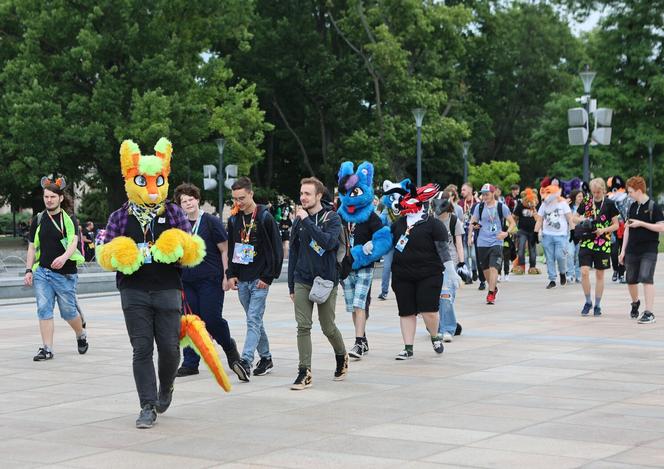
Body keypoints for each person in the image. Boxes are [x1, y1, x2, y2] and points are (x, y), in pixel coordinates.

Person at [97, 138, 205, 429]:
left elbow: (192, 251)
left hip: (168, 288)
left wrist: (176, 246)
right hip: (133, 291)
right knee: (141, 348)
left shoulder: (172, 213)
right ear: (131, 179)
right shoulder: (120, 216)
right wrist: (120, 252)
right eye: (144, 181)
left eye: (158, 180)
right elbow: (105, 254)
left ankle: (166, 387)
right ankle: (147, 405)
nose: (152, 187)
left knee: (170, 348)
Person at [173, 183, 247, 382]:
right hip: (186, 281)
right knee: (190, 321)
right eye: (183, 201)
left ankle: (230, 349)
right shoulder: (179, 225)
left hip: (210, 279)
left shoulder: (211, 221)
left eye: (190, 199)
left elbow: (224, 249)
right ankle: (190, 362)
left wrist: (226, 275)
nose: (188, 203)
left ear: (197, 200)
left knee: (211, 319)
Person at [288, 177, 348, 390]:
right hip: (302, 279)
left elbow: (329, 243)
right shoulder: (299, 221)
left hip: (325, 280)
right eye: (301, 193)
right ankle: (304, 372)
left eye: (307, 194)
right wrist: (291, 285)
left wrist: (305, 221)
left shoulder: (332, 218)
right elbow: (294, 252)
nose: (303, 197)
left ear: (319, 196)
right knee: (303, 326)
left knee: (328, 327)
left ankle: (341, 355)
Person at [390, 182, 458, 359]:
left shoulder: (434, 225)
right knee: (406, 311)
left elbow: (443, 250)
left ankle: (435, 336)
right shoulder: (398, 225)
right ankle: (408, 347)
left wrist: (451, 272)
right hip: (402, 274)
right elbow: (386, 246)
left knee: (429, 311)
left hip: (429, 274)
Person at [24, 178, 88, 362]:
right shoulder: (38, 219)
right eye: (46, 196)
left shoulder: (69, 219)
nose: (49, 200)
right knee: (44, 309)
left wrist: (63, 257)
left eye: (53, 196)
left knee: (68, 312)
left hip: (65, 273)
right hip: (42, 272)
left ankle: (81, 333)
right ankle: (47, 349)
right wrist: (29, 270)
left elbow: (73, 242)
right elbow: (31, 247)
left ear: (60, 198)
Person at [226, 177, 284, 378]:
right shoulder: (234, 219)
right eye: (235, 199)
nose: (238, 202)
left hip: (260, 279)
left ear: (251, 194)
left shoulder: (265, 218)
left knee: (253, 319)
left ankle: (246, 361)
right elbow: (233, 248)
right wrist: (231, 274)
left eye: (242, 198)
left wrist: (268, 277)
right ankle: (266, 358)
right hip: (242, 279)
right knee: (255, 320)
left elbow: (277, 250)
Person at [336, 162, 392, 360]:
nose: (351, 197)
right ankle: (363, 338)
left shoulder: (370, 216)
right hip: (345, 268)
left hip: (364, 266)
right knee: (353, 305)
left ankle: (358, 342)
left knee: (360, 303)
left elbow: (384, 238)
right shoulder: (340, 216)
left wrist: (369, 249)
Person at [619, 176, 664, 324]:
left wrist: (642, 223)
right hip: (632, 249)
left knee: (646, 277)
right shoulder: (632, 206)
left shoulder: (653, 207)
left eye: (630, 191)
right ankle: (635, 302)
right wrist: (623, 250)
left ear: (639, 190)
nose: (629, 194)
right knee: (630, 280)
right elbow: (627, 229)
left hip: (649, 249)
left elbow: (662, 227)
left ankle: (649, 312)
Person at [573, 178, 620, 316]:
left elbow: (616, 225)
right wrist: (583, 220)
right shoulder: (587, 201)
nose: (596, 195)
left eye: (598, 192)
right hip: (587, 241)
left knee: (600, 274)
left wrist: (603, 230)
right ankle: (588, 302)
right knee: (584, 272)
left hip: (603, 242)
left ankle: (598, 305)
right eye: (593, 192)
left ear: (603, 190)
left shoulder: (610, 204)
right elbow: (574, 218)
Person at [470, 184, 516, 304]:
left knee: (494, 267)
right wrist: (474, 232)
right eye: (483, 194)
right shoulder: (479, 207)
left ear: (493, 193)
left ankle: (490, 294)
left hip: (497, 241)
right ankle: (493, 288)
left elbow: (512, 223)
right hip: (482, 242)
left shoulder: (502, 207)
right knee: (486, 271)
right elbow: (473, 222)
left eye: (487, 194)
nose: (484, 196)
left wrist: (506, 233)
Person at [432, 194, 466, 342]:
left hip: (450, 263)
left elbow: (459, 243)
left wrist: (462, 264)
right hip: (434, 263)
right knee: (437, 298)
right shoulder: (431, 219)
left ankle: (448, 329)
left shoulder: (454, 220)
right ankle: (438, 326)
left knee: (446, 296)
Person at [536, 183, 573, 289]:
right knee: (549, 258)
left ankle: (562, 273)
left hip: (561, 235)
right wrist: (535, 232)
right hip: (547, 235)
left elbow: (570, 218)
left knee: (560, 256)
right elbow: (539, 219)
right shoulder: (544, 205)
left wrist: (573, 231)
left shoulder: (563, 204)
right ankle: (552, 279)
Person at [607, 176, 631, 283]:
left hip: (625, 227)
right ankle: (616, 270)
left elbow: (629, 213)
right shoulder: (608, 199)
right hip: (614, 229)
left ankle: (622, 274)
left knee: (623, 251)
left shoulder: (627, 199)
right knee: (613, 252)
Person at [512, 188, 540, 275]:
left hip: (533, 231)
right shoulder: (520, 205)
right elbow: (514, 216)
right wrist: (513, 228)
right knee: (521, 249)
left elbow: (540, 218)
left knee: (532, 250)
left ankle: (532, 267)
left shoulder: (537, 207)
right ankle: (521, 266)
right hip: (522, 230)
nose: (530, 202)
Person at [459, 183, 477, 285]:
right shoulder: (461, 203)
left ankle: (474, 270)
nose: (462, 192)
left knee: (474, 255)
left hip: (474, 231)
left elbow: (479, 220)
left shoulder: (476, 203)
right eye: (461, 190)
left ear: (470, 191)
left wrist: (472, 225)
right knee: (465, 255)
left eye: (464, 190)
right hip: (463, 232)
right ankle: (468, 276)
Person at [566, 190, 584, 283]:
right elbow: (571, 220)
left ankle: (578, 275)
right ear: (574, 198)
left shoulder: (585, 208)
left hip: (581, 234)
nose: (581, 198)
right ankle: (569, 274)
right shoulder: (569, 208)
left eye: (582, 196)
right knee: (570, 254)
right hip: (570, 234)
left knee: (579, 255)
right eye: (579, 196)